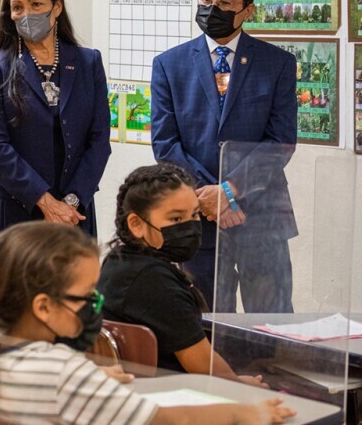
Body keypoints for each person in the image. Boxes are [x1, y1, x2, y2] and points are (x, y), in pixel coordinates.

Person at [0, 221, 295, 424]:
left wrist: (89, 376)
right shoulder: (62, 370)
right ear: (44, 307)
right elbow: (170, 419)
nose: (96, 305)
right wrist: (245, 414)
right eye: (85, 295)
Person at [151, 0, 297, 313]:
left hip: (260, 215)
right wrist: (209, 198)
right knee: (204, 321)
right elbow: (165, 143)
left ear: (247, 10)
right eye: (205, 0)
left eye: (225, 3)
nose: (212, 9)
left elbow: (280, 142)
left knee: (272, 323)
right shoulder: (169, 64)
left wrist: (229, 191)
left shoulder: (277, 63)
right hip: (194, 218)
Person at [0, 0, 110, 249]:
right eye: (17, 7)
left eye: (36, 4)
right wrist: (46, 202)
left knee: (72, 292)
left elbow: (99, 141)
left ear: (57, 7)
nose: (26, 14)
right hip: (16, 209)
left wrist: (70, 203)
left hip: (75, 211)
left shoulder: (88, 63)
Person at [99, 163, 267, 384]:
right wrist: (246, 386)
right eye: (176, 219)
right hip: (176, 392)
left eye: (195, 215)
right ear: (136, 224)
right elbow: (207, 371)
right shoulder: (155, 281)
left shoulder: (117, 261)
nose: (189, 227)